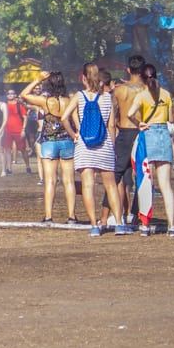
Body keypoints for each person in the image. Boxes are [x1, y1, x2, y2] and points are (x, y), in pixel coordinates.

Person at [62, 62, 125, 237]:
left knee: (88, 186)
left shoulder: (79, 96)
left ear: (83, 78)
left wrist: (74, 133)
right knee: (111, 185)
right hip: (104, 144)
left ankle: (94, 225)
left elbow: (64, 117)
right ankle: (119, 223)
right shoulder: (107, 97)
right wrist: (111, 146)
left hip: (84, 145)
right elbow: (111, 125)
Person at [126, 64, 174, 236]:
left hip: (147, 136)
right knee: (166, 185)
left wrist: (138, 123)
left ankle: (145, 226)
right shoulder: (166, 94)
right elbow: (170, 118)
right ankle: (172, 226)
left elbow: (129, 114)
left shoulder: (142, 95)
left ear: (142, 77)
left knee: (145, 183)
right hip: (163, 136)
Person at [20, 72, 77, 224]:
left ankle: (48, 216)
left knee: (50, 181)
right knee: (69, 181)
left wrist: (37, 79)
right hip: (67, 141)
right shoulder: (70, 100)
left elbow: (24, 94)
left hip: (49, 142)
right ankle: (72, 216)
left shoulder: (45, 101)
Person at [108, 55, 146, 228]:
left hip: (124, 132)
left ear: (128, 70)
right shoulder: (148, 89)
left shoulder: (119, 90)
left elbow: (113, 116)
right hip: (142, 132)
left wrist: (112, 136)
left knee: (116, 174)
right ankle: (137, 214)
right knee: (142, 175)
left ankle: (107, 214)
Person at [3, 89, 29, 175]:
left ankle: (28, 166)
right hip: (7, 130)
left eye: (12, 93)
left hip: (18, 130)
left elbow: (25, 117)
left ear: (15, 95)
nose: (10, 95)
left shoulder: (19, 105)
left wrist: (23, 129)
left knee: (23, 149)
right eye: (8, 93)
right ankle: (9, 169)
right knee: (7, 149)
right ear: (6, 95)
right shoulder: (4, 105)